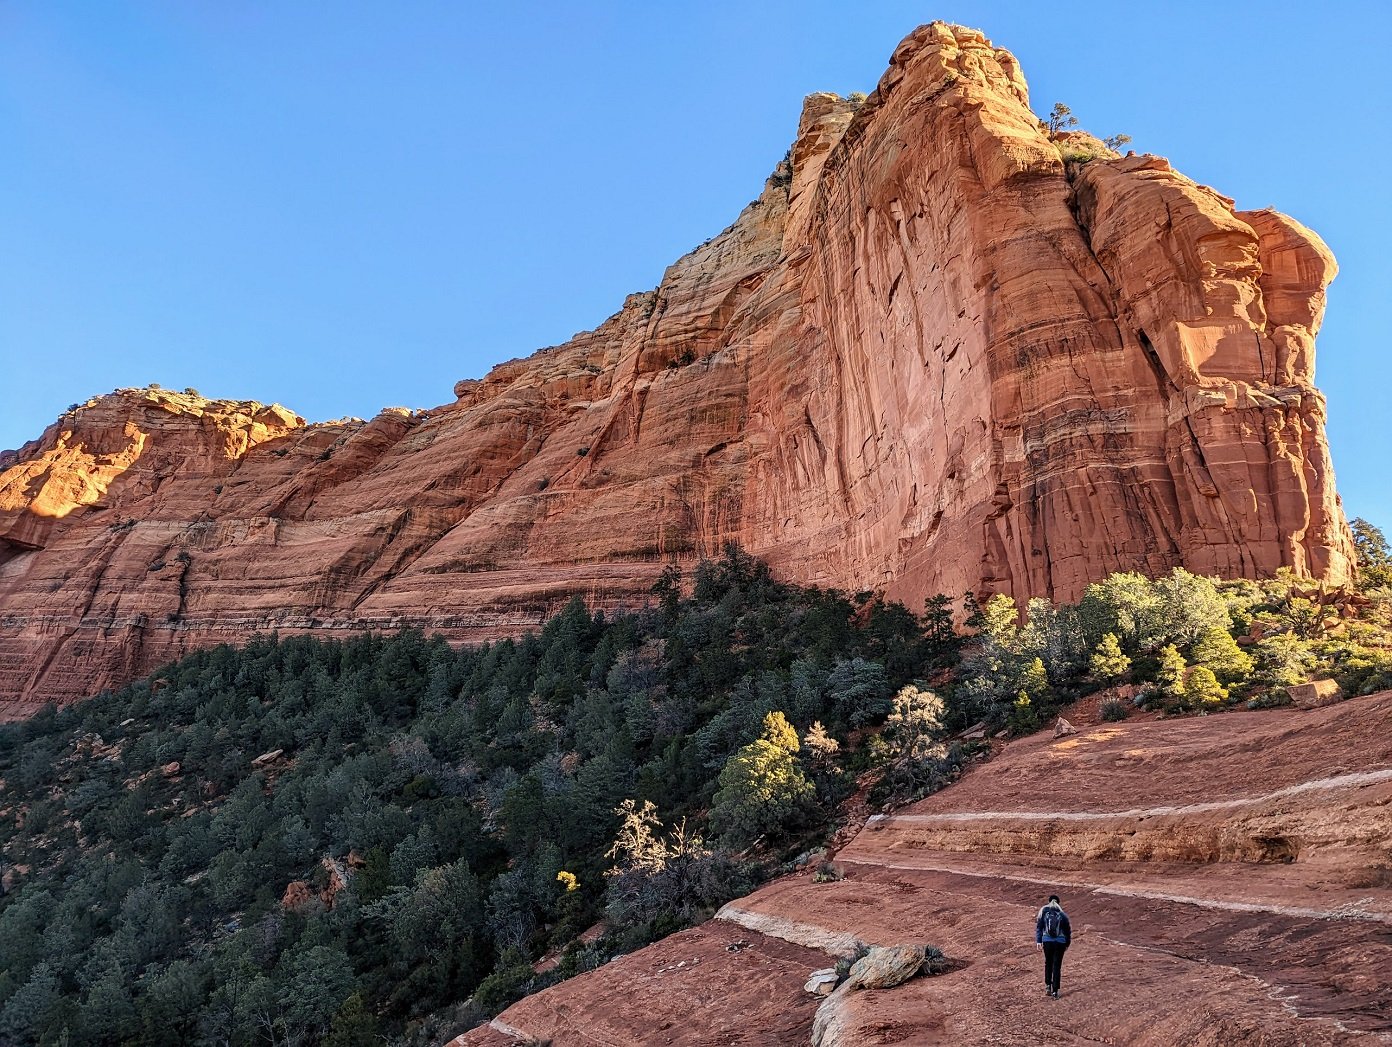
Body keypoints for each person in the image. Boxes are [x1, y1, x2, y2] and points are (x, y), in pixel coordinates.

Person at [1035, 894, 1071, 998]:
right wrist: (1067, 943)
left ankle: (1047, 986)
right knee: (1057, 965)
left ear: (1049, 901)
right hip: (1060, 942)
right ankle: (1055, 991)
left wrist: (1039, 941)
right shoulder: (1062, 915)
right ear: (1058, 903)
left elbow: (1039, 927)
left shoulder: (1043, 912)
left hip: (1047, 941)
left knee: (1048, 963)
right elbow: (1067, 931)